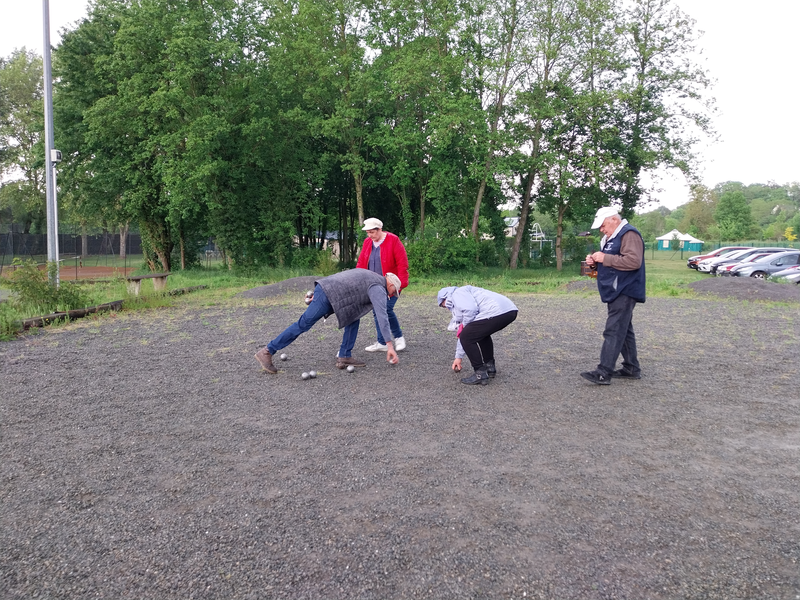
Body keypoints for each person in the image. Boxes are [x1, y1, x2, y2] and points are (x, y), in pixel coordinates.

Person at [255, 270, 401, 373]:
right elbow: (382, 316)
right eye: (394, 292)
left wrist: (319, 294)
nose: (391, 295)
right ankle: (267, 351)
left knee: (354, 318)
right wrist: (389, 346)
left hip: (327, 291)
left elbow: (345, 280)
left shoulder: (372, 277)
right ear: (391, 285)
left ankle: (344, 355)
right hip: (327, 294)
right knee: (303, 324)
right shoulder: (378, 287)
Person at [581, 206, 646, 385]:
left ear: (613, 220)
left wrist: (604, 258)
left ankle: (603, 372)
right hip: (616, 290)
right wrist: (595, 264)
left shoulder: (629, 234)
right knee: (624, 330)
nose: (601, 230)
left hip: (625, 289)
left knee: (614, 329)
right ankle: (631, 368)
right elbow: (611, 263)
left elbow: (634, 261)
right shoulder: (610, 238)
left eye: (602, 226)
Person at [437, 285, 518, 386]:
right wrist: (458, 357)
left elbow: (470, 310)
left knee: (466, 336)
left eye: (443, 305)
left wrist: (465, 329)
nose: (446, 308)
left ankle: (480, 373)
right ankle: (490, 367)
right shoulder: (466, 292)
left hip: (497, 311)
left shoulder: (457, 294)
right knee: (479, 334)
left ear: (445, 298)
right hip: (509, 310)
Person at [356, 217, 409, 353]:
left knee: (386, 309)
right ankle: (382, 342)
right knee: (376, 311)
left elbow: (402, 264)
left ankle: (398, 337)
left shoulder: (393, 240)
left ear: (379, 229)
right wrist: (357, 279)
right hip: (373, 285)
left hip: (391, 283)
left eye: (372, 232)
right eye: (367, 233)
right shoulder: (368, 242)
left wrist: (401, 285)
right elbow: (362, 262)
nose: (369, 235)